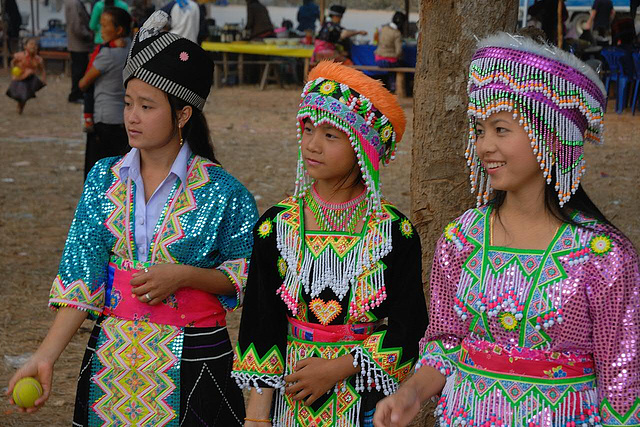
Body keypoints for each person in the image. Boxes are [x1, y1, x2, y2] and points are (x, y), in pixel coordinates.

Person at [373, 32, 640, 427]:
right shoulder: (462, 238)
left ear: (551, 134)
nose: (484, 146)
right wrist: (410, 391)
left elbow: (622, 381)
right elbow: (445, 344)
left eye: (501, 130)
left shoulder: (603, 255)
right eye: (480, 130)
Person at [6, 10, 258, 426]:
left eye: (146, 106)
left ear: (183, 115)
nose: (132, 117)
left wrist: (185, 276)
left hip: (194, 363)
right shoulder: (103, 178)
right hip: (110, 365)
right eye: (127, 103)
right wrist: (45, 357)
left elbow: (247, 273)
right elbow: (83, 279)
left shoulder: (224, 192)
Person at [232, 61, 428, 427]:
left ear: (363, 147)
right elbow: (263, 320)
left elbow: (409, 324)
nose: (312, 145)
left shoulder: (393, 232)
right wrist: (258, 417)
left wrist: (340, 367)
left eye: (330, 135)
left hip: (367, 396)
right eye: (307, 129)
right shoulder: (275, 226)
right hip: (290, 394)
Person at [79, 7, 132, 178]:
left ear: (118, 30)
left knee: (98, 172)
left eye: (104, 26)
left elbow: (83, 83)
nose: (100, 30)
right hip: (124, 118)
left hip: (104, 119)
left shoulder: (107, 54)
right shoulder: (131, 49)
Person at [6, 38, 46, 115]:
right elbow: (12, 63)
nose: (33, 46)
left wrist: (43, 79)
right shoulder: (19, 56)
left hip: (31, 79)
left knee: (25, 96)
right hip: (20, 77)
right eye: (31, 44)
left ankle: (21, 106)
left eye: (35, 45)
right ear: (25, 47)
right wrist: (15, 70)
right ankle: (20, 104)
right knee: (19, 95)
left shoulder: (38, 59)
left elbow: (42, 69)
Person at [64, 0, 94, 103]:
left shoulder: (74, 3)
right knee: (78, 71)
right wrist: (89, 35)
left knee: (79, 70)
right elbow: (76, 26)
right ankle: (76, 95)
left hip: (78, 43)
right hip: (78, 44)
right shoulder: (74, 3)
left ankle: (77, 94)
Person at [374, 11, 406, 93]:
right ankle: (393, 87)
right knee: (401, 64)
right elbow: (398, 52)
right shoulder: (397, 33)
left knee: (392, 67)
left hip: (378, 60)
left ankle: (390, 86)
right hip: (389, 61)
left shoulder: (383, 28)